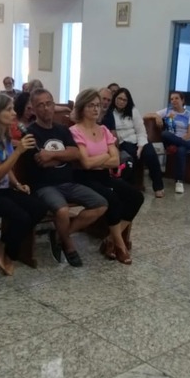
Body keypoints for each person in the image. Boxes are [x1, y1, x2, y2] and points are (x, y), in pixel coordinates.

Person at [27, 88, 108, 267]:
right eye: (40, 105)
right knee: (62, 210)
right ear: (33, 108)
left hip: (68, 182)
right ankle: (69, 246)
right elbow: (41, 161)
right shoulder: (30, 132)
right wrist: (64, 156)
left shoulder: (62, 129)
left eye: (49, 103)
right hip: (44, 185)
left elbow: (76, 153)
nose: (46, 108)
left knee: (101, 204)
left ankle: (60, 235)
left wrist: (52, 155)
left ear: (54, 105)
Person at [0, 93, 48, 272]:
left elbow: (7, 167)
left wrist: (17, 184)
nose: (14, 113)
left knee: (39, 207)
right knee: (21, 216)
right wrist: (19, 151)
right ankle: (9, 252)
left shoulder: (3, 134)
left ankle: (3, 244)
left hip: (2, 188)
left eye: (13, 109)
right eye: (9, 109)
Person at [70, 88, 144, 264]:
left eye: (98, 105)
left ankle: (110, 239)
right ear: (81, 107)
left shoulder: (103, 130)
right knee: (112, 199)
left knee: (136, 197)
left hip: (103, 175)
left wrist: (99, 160)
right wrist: (105, 156)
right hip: (83, 177)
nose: (96, 109)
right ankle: (120, 246)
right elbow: (86, 164)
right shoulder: (75, 131)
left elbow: (116, 160)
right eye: (91, 105)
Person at [144, 91, 190, 194]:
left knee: (181, 150)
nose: (174, 101)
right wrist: (157, 116)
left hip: (185, 140)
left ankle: (179, 181)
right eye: (172, 99)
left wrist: (181, 141)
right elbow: (146, 115)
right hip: (170, 141)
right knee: (165, 134)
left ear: (182, 100)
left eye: (176, 98)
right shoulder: (168, 111)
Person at [109, 88, 165, 197]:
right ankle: (132, 187)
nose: (121, 101)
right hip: (123, 141)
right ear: (115, 98)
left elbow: (141, 131)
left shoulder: (133, 110)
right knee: (132, 156)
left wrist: (141, 146)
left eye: (124, 100)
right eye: (119, 98)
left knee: (151, 154)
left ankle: (158, 187)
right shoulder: (110, 112)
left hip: (138, 139)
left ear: (128, 101)